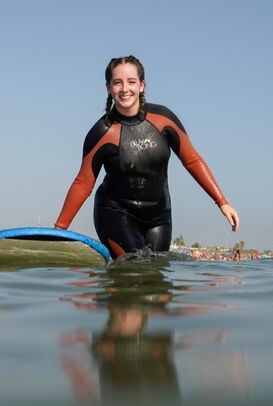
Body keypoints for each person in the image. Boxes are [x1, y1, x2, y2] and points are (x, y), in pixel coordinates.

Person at [54, 55, 239, 259]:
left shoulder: (163, 119)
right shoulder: (101, 133)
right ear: (108, 87)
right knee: (136, 267)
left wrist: (222, 201)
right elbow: (83, 183)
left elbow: (192, 160)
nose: (125, 89)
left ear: (142, 85)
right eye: (118, 82)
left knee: (155, 276)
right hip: (115, 211)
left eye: (131, 82)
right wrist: (59, 230)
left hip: (159, 217)